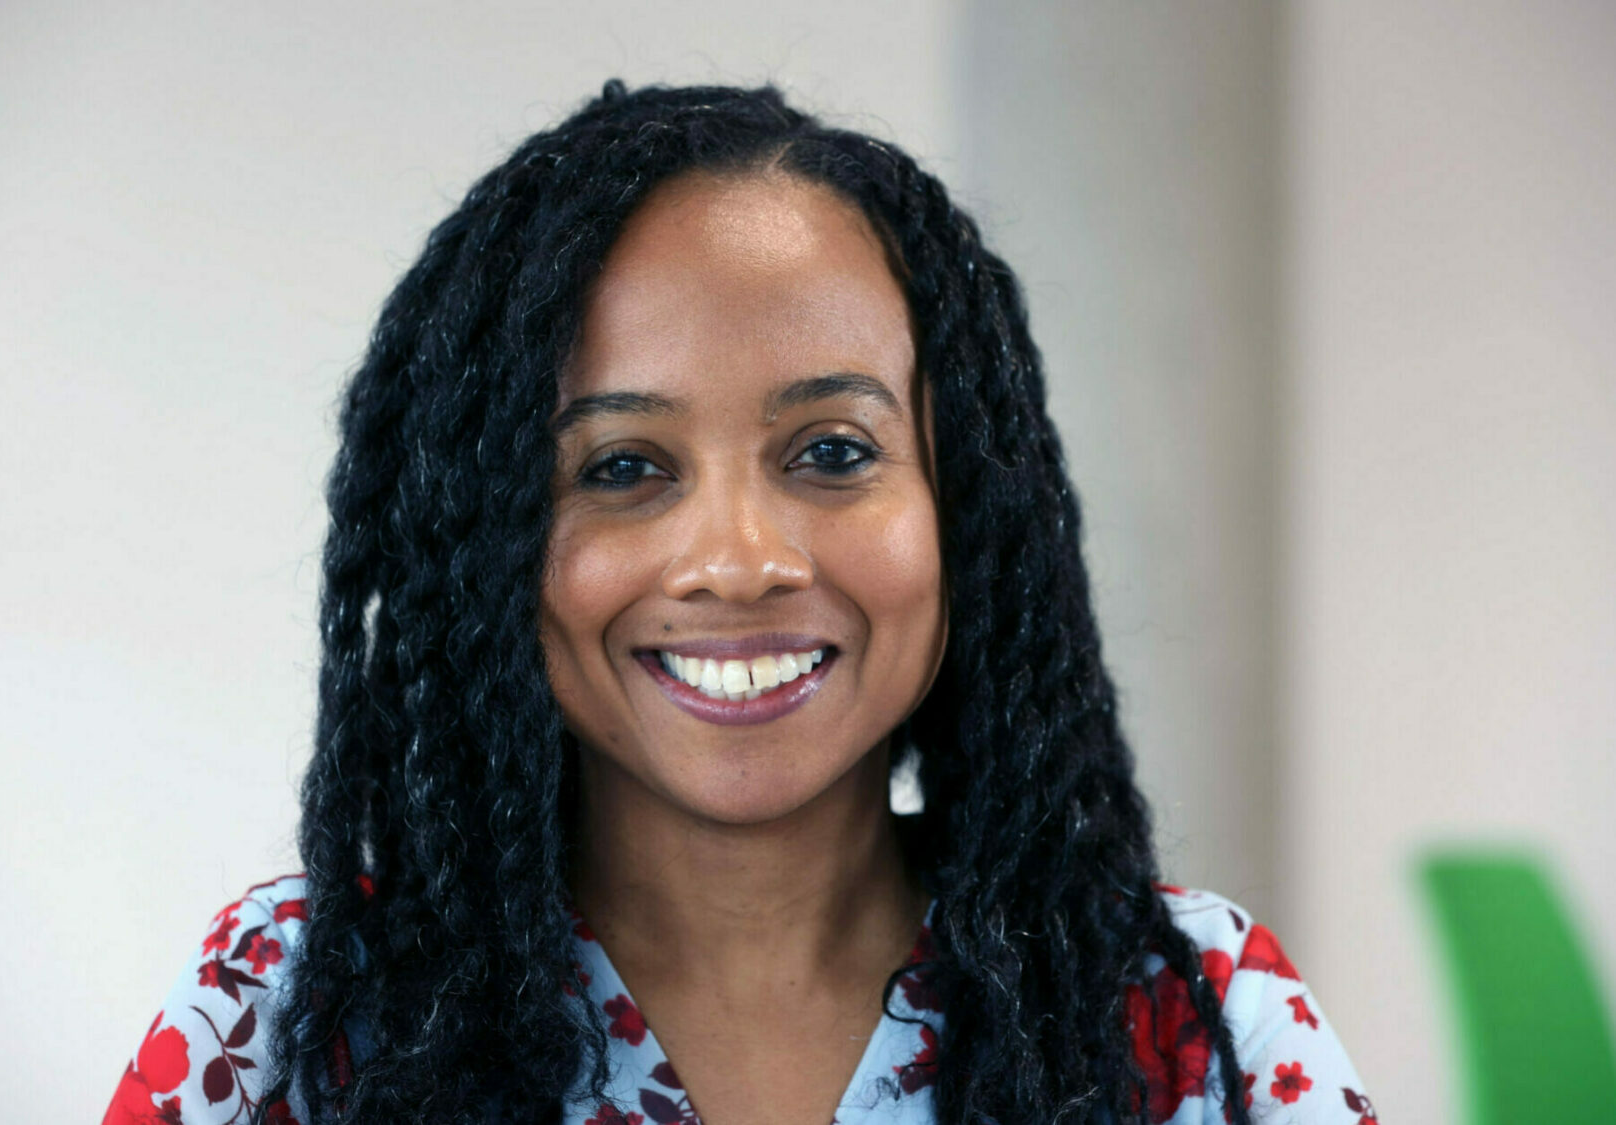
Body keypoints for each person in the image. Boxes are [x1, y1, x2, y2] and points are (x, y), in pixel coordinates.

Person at [104, 81, 1375, 1125]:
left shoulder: (1191, 1023)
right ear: (490, 541)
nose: (740, 558)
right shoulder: (287, 1010)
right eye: (621, 469)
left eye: (831, 451)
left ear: (966, 508)